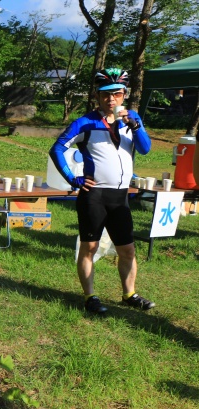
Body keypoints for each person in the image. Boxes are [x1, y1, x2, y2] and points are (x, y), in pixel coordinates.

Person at [49, 68, 155, 315]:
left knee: (127, 249)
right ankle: (90, 296)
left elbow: (146, 149)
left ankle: (130, 294)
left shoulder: (132, 119)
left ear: (124, 95)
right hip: (94, 195)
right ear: (97, 96)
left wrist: (136, 126)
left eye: (117, 94)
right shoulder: (85, 122)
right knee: (90, 248)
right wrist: (73, 179)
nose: (111, 100)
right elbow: (57, 148)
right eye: (106, 94)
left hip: (120, 197)